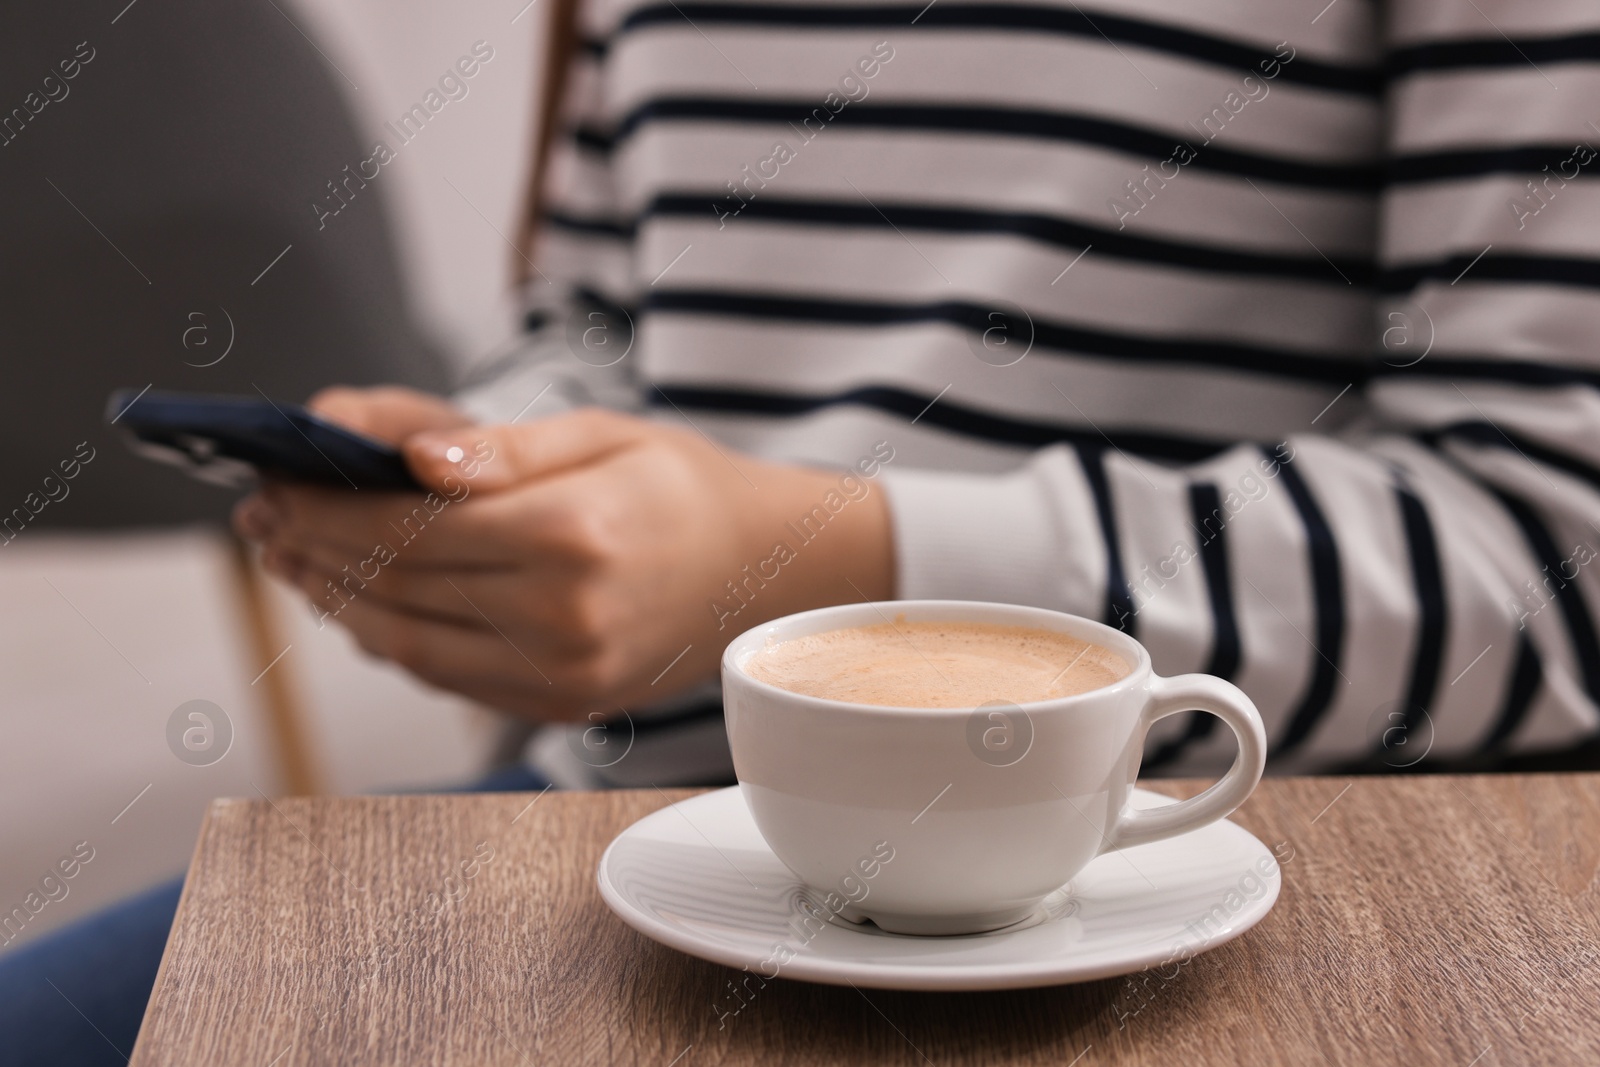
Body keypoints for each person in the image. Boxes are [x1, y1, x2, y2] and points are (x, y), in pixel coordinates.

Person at [8, 1, 1600, 1062]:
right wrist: (494, 459)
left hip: (1246, 909)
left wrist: (809, 564)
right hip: (611, 833)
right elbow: (601, 316)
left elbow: (1557, 553)